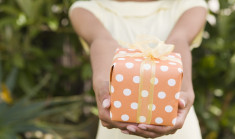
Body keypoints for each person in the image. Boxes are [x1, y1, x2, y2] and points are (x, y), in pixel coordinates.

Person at [69, 0, 207, 138]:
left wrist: (184, 91)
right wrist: (104, 87)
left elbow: (177, 41)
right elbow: (103, 42)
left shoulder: (190, 5)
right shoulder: (85, 10)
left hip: (177, 124)